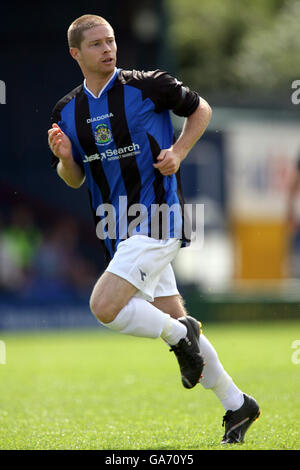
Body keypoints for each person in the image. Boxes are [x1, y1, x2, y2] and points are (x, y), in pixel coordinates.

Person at [48, 14, 260, 444]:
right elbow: (74, 179)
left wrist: (179, 151)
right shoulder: (66, 112)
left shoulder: (149, 84)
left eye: (110, 41)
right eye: (96, 44)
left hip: (158, 218)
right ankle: (238, 405)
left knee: (104, 307)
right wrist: (67, 159)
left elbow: (201, 109)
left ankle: (182, 336)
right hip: (116, 228)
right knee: (171, 315)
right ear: (76, 53)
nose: (108, 49)